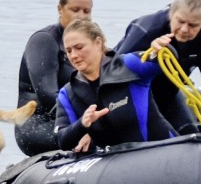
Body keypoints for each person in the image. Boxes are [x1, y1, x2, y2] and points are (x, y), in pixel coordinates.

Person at [113, 0, 201, 134]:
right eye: (180, 21)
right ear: (171, 14)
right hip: (133, 99)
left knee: (190, 135)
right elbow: (111, 71)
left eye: (193, 25)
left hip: (168, 96)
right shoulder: (148, 30)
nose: (184, 29)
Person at [54, 17, 176, 153]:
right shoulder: (68, 93)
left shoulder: (128, 65)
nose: (73, 55)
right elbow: (61, 140)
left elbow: (169, 60)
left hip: (163, 150)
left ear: (98, 43)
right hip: (117, 162)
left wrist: (162, 48)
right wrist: (82, 124)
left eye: (79, 48)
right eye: (69, 51)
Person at [14, 0, 93, 155]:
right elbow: (47, 94)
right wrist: (84, 125)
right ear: (60, 9)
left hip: (73, 119)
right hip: (37, 124)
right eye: (75, 10)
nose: (81, 16)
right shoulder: (44, 40)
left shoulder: (89, 44)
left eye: (86, 11)